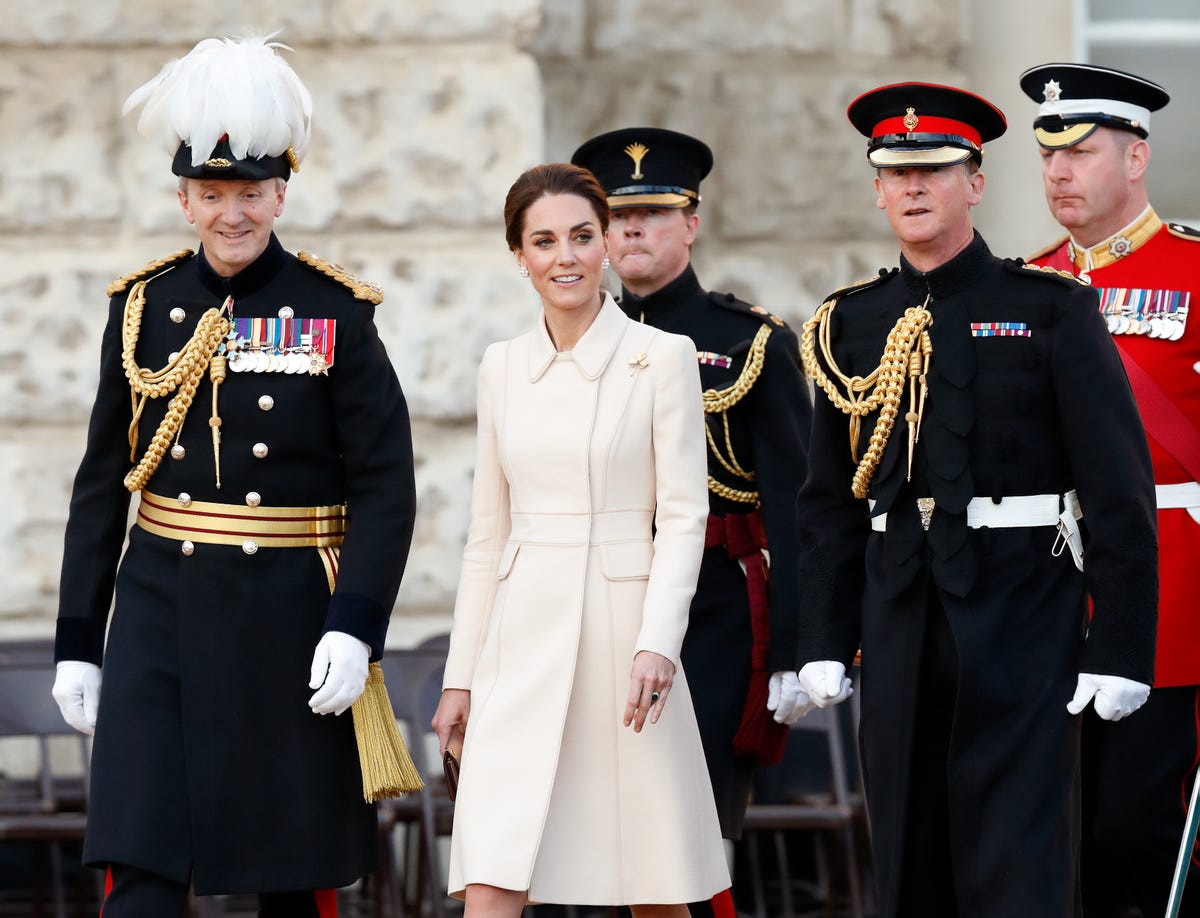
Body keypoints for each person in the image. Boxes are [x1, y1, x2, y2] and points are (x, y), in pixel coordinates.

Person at [49, 35, 416, 917]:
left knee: (286, 872)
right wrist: (76, 639)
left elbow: (386, 488)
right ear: (183, 201)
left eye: (250, 194)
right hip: (157, 612)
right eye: (212, 195)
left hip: (284, 615)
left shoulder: (337, 314)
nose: (233, 214)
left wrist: (355, 625)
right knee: (137, 864)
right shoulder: (140, 309)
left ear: (280, 194)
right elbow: (104, 484)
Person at [793, 81, 1159, 918]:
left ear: (976, 182)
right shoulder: (849, 323)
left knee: (1019, 859)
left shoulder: (1051, 310)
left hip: (1024, 607)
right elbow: (828, 503)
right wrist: (823, 633)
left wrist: (1122, 645)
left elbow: (1117, 491)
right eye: (896, 172)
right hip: (898, 611)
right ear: (878, 187)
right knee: (908, 853)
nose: (914, 188)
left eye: (936, 170)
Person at [431, 162, 729, 916]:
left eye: (580, 236)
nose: (564, 256)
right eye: (543, 241)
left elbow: (685, 515)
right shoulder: (501, 368)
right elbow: (484, 535)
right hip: (517, 640)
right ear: (520, 256)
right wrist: (458, 677)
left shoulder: (663, 357)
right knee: (493, 873)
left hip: (625, 642)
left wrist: (659, 642)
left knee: (653, 883)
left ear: (603, 246)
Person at [570, 129, 813, 912]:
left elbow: (795, 506)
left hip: (709, 614)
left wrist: (802, 645)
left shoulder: (750, 341)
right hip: (593, 602)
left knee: (689, 827)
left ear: (691, 223)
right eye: (616, 216)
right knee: (586, 829)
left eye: (654, 213)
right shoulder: (567, 338)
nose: (633, 229)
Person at [1022, 62, 1200, 917]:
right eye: (1049, 155)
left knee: (1142, 832)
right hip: (1051, 597)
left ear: (1136, 159)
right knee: (1063, 834)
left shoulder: (1196, 273)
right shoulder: (1025, 286)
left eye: (1082, 153)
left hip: (1174, 596)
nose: (1058, 171)